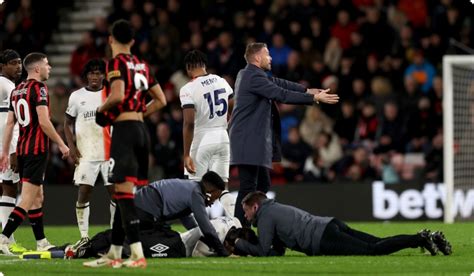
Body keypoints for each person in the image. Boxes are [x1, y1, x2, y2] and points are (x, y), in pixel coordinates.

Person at [84, 19, 167, 269]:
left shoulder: (116, 63)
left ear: (111, 39)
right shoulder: (142, 64)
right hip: (141, 130)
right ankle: (115, 253)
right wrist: (139, 113)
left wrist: (102, 109)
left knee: (124, 195)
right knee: (125, 193)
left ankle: (137, 255)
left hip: (125, 132)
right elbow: (161, 100)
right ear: (132, 40)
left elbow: (118, 94)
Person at [229, 42, 339, 226]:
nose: (270, 58)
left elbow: (279, 83)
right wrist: (312, 98)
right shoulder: (252, 77)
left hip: (252, 140)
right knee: (248, 188)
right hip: (247, 140)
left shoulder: (251, 74)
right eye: (267, 54)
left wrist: (306, 90)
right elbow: (280, 93)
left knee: (262, 186)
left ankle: (253, 224)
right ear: (257, 58)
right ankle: (238, 234)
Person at [231, 192, 452, 257]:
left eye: (246, 210)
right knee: (376, 242)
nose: (245, 215)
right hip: (329, 224)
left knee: (373, 250)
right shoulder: (274, 208)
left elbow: (262, 250)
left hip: (323, 238)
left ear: (256, 207)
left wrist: (240, 244)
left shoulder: (266, 217)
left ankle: (419, 239)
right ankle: (421, 236)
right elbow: (276, 251)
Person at [0, 52, 70, 255]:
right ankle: (4, 238)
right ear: (37, 69)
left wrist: (5, 152)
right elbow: (44, 122)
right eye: (47, 65)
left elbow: (10, 123)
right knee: (28, 198)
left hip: (21, 150)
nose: (50, 68)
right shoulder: (39, 89)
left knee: (38, 196)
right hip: (35, 150)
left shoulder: (17, 90)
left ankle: (41, 241)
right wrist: (62, 144)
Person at [64, 59, 115, 250]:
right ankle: (84, 236)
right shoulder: (76, 96)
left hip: (110, 153)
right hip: (86, 153)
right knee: (85, 191)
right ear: (86, 75)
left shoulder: (111, 94)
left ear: (104, 75)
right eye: (92, 73)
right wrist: (71, 146)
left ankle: (114, 234)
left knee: (115, 193)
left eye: (98, 73)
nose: (95, 76)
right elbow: (67, 123)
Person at [132, 171, 231, 257]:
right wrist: (222, 251)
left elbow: (186, 218)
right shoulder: (196, 193)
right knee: (174, 244)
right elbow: (206, 228)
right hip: (145, 209)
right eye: (215, 198)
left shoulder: (191, 187)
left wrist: (197, 235)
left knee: (172, 237)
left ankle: (130, 242)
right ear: (210, 191)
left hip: (142, 206)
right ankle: (128, 246)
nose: (212, 203)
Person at [66, 216, 241, 259]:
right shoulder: (218, 232)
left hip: (174, 242)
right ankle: (91, 248)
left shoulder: (231, 223)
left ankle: (91, 248)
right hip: (175, 244)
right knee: (140, 245)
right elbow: (199, 249)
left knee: (134, 240)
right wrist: (224, 253)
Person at [179, 49, 233, 186]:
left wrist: (186, 154)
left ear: (188, 67)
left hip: (201, 138)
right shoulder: (222, 81)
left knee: (194, 187)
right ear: (204, 64)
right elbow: (233, 105)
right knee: (221, 187)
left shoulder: (188, 89)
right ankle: (231, 207)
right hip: (223, 137)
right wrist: (226, 121)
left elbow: (189, 123)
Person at [0, 49, 26, 254]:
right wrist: (12, 150)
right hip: (5, 147)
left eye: (19, 63)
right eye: (14, 63)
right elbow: (8, 123)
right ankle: (7, 239)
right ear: (3, 66)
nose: (18, 67)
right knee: (10, 188)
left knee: (4, 189)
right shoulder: (7, 87)